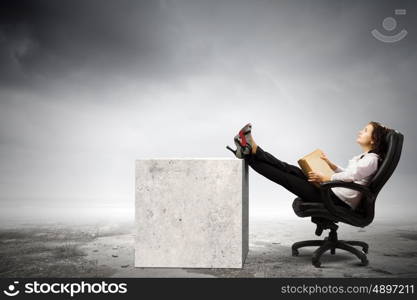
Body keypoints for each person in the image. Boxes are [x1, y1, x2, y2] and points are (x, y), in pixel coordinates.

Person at [226, 121, 390, 210]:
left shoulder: (371, 159)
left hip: (335, 199)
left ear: (374, 140)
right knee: (290, 169)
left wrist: (325, 177)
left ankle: (248, 154)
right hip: (332, 191)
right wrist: (331, 165)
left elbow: (351, 177)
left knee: (286, 177)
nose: (360, 132)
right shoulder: (365, 157)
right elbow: (351, 175)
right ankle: (253, 149)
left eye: (365, 130)